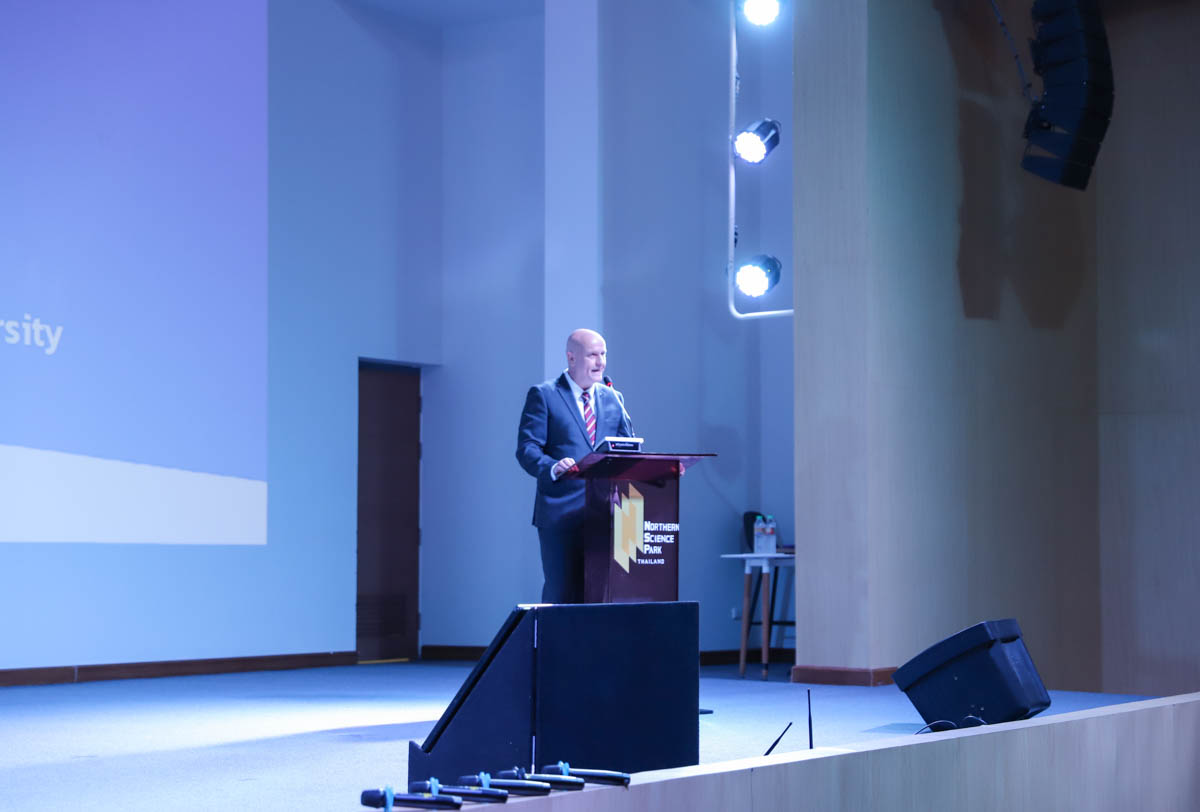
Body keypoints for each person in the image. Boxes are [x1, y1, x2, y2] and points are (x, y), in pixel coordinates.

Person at [516, 328, 635, 603]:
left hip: (607, 513)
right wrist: (553, 466)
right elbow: (527, 449)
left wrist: (660, 473)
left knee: (602, 595)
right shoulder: (544, 395)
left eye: (603, 354)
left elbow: (627, 450)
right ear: (571, 357)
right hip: (561, 512)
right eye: (593, 355)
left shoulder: (613, 398)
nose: (601, 362)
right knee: (563, 594)